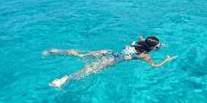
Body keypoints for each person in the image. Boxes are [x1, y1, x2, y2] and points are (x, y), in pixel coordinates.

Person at [43, 36, 177, 88]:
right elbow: (155, 66)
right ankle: (63, 80)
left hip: (108, 52)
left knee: (80, 53)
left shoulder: (139, 43)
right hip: (112, 60)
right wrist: (167, 60)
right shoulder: (144, 55)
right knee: (87, 72)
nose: (159, 47)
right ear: (152, 48)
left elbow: (143, 37)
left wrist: (155, 43)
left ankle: (54, 51)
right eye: (158, 46)